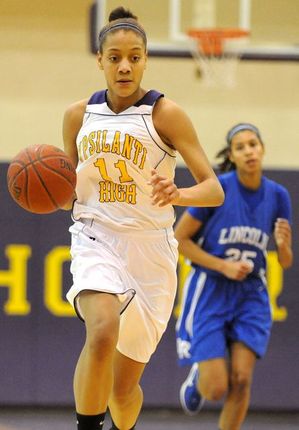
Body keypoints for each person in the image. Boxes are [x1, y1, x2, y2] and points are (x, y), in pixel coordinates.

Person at [62, 6, 224, 430]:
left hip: (151, 253)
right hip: (96, 237)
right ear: (100, 60)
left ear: (146, 59)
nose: (124, 66)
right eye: (114, 57)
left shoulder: (164, 114)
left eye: (134, 56)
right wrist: (47, 194)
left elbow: (214, 188)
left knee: (122, 389)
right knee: (101, 333)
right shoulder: (78, 115)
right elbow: (65, 192)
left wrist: (179, 191)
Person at [175, 123, 293, 430]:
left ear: (262, 148)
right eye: (240, 147)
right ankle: (200, 374)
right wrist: (221, 265)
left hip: (251, 293)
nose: (249, 151)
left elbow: (285, 261)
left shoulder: (278, 196)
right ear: (232, 155)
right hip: (212, 286)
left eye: (253, 144)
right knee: (216, 389)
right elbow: (180, 239)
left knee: (241, 380)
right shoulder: (219, 188)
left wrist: (282, 246)